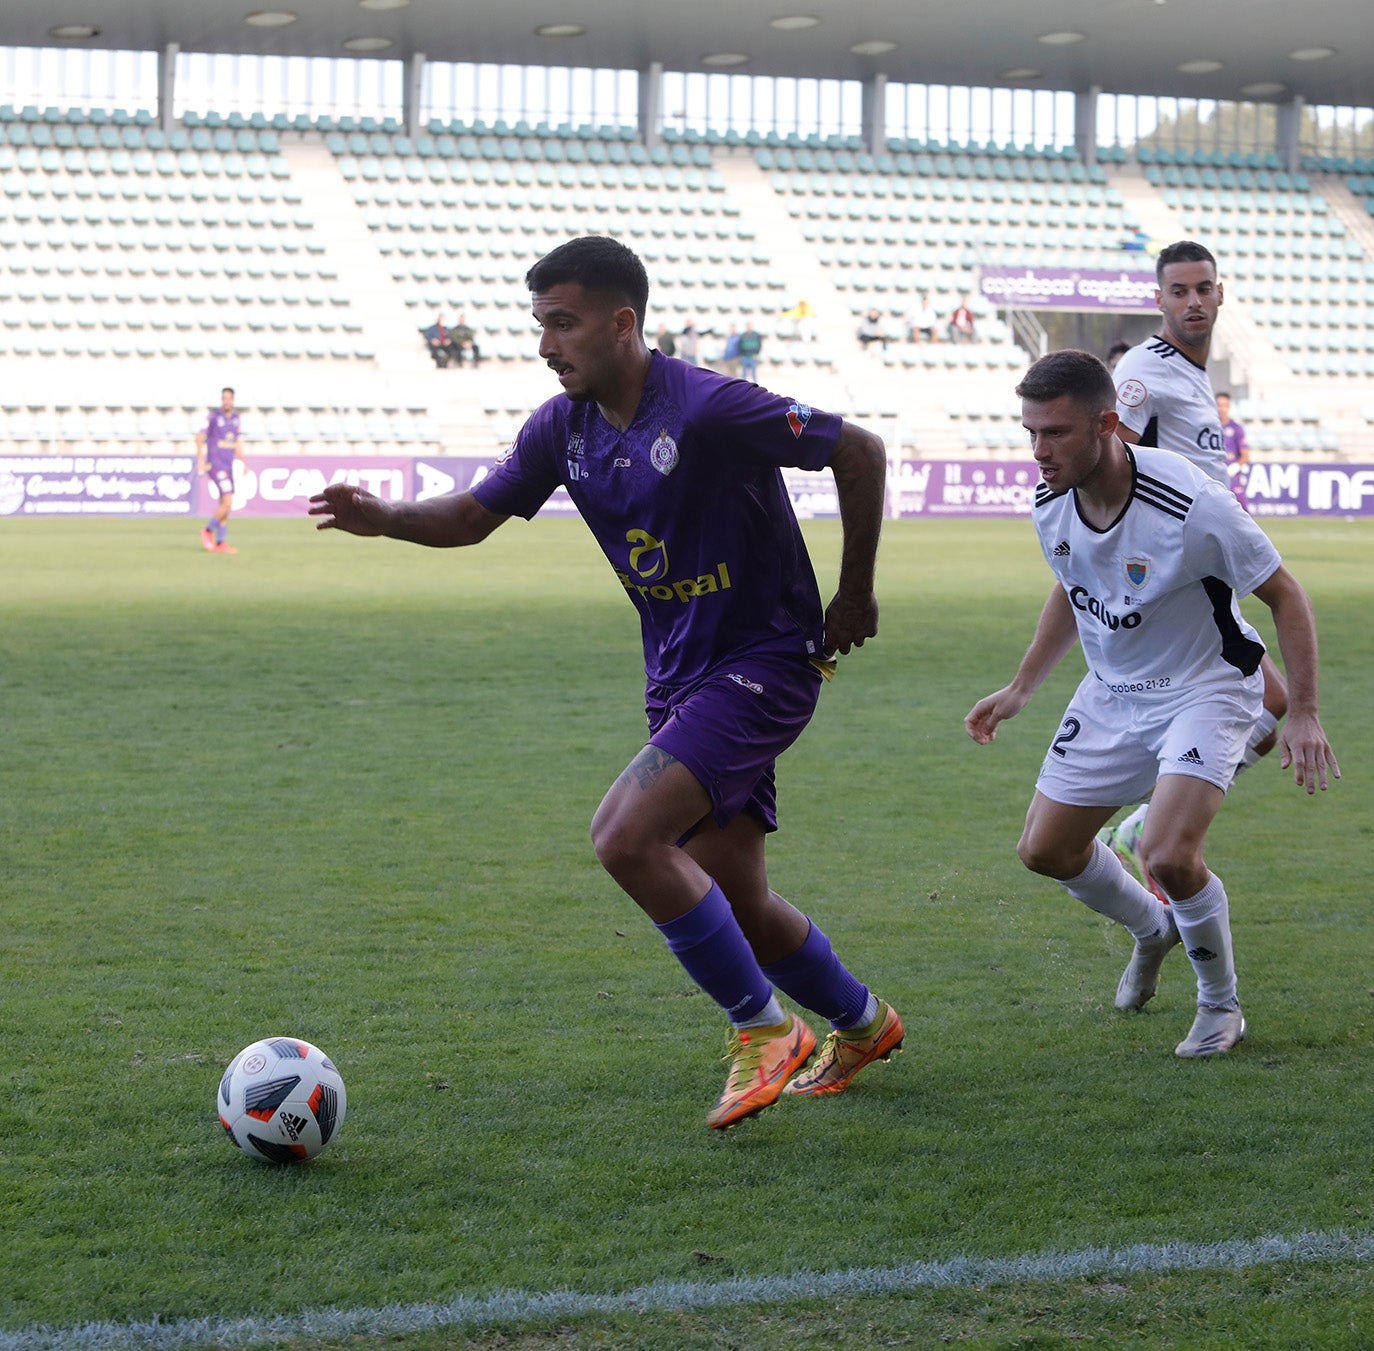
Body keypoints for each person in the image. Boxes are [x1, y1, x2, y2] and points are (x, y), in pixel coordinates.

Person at [309, 235, 903, 1129]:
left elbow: (857, 450)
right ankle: (862, 1022)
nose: (548, 343)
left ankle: (764, 1029)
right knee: (737, 898)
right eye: (540, 324)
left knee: (624, 837)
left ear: (622, 323)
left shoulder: (706, 406)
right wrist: (387, 517)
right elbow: (474, 515)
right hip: (678, 679)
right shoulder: (564, 427)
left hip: (764, 666)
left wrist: (853, 592)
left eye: (563, 323)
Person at [965, 349, 1338, 1058]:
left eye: (1056, 433)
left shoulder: (1190, 501)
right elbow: (1074, 586)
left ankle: (1220, 1005)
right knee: (1045, 849)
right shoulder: (1049, 499)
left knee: (1168, 854)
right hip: (1112, 691)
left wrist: (1306, 710)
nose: (1039, 451)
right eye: (1031, 433)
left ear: (1108, 424)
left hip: (1208, 685)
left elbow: (1286, 593)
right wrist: (1021, 687)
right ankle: (1151, 929)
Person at [1107, 241, 1287, 893]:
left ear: (1220, 293)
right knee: (1269, 700)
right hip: (1171, 586)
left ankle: (1151, 828)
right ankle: (1150, 834)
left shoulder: (1192, 375)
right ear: (1159, 299)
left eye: (1202, 288)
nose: (1192, 300)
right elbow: (1109, 462)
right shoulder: (1143, 370)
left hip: (1206, 577)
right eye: (1178, 290)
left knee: (1270, 705)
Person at [196, 386, 244, 554]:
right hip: (215, 465)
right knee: (228, 501)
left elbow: (236, 442)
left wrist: (244, 462)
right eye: (224, 398)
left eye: (229, 398)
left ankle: (221, 542)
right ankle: (208, 530)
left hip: (228, 466)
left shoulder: (236, 419)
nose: (227, 401)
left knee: (225, 504)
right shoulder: (214, 417)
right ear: (221, 400)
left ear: (233, 400)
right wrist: (201, 460)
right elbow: (199, 437)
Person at [1216, 391, 1250, 512]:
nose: (1221, 408)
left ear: (1229, 407)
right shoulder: (1210, 426)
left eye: (1225, 405)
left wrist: (1234, 468)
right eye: (1219, 404)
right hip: (1214, 473)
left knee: (1241, 508)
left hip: (1232, 476)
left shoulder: (1236, 428)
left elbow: (1245, 455)